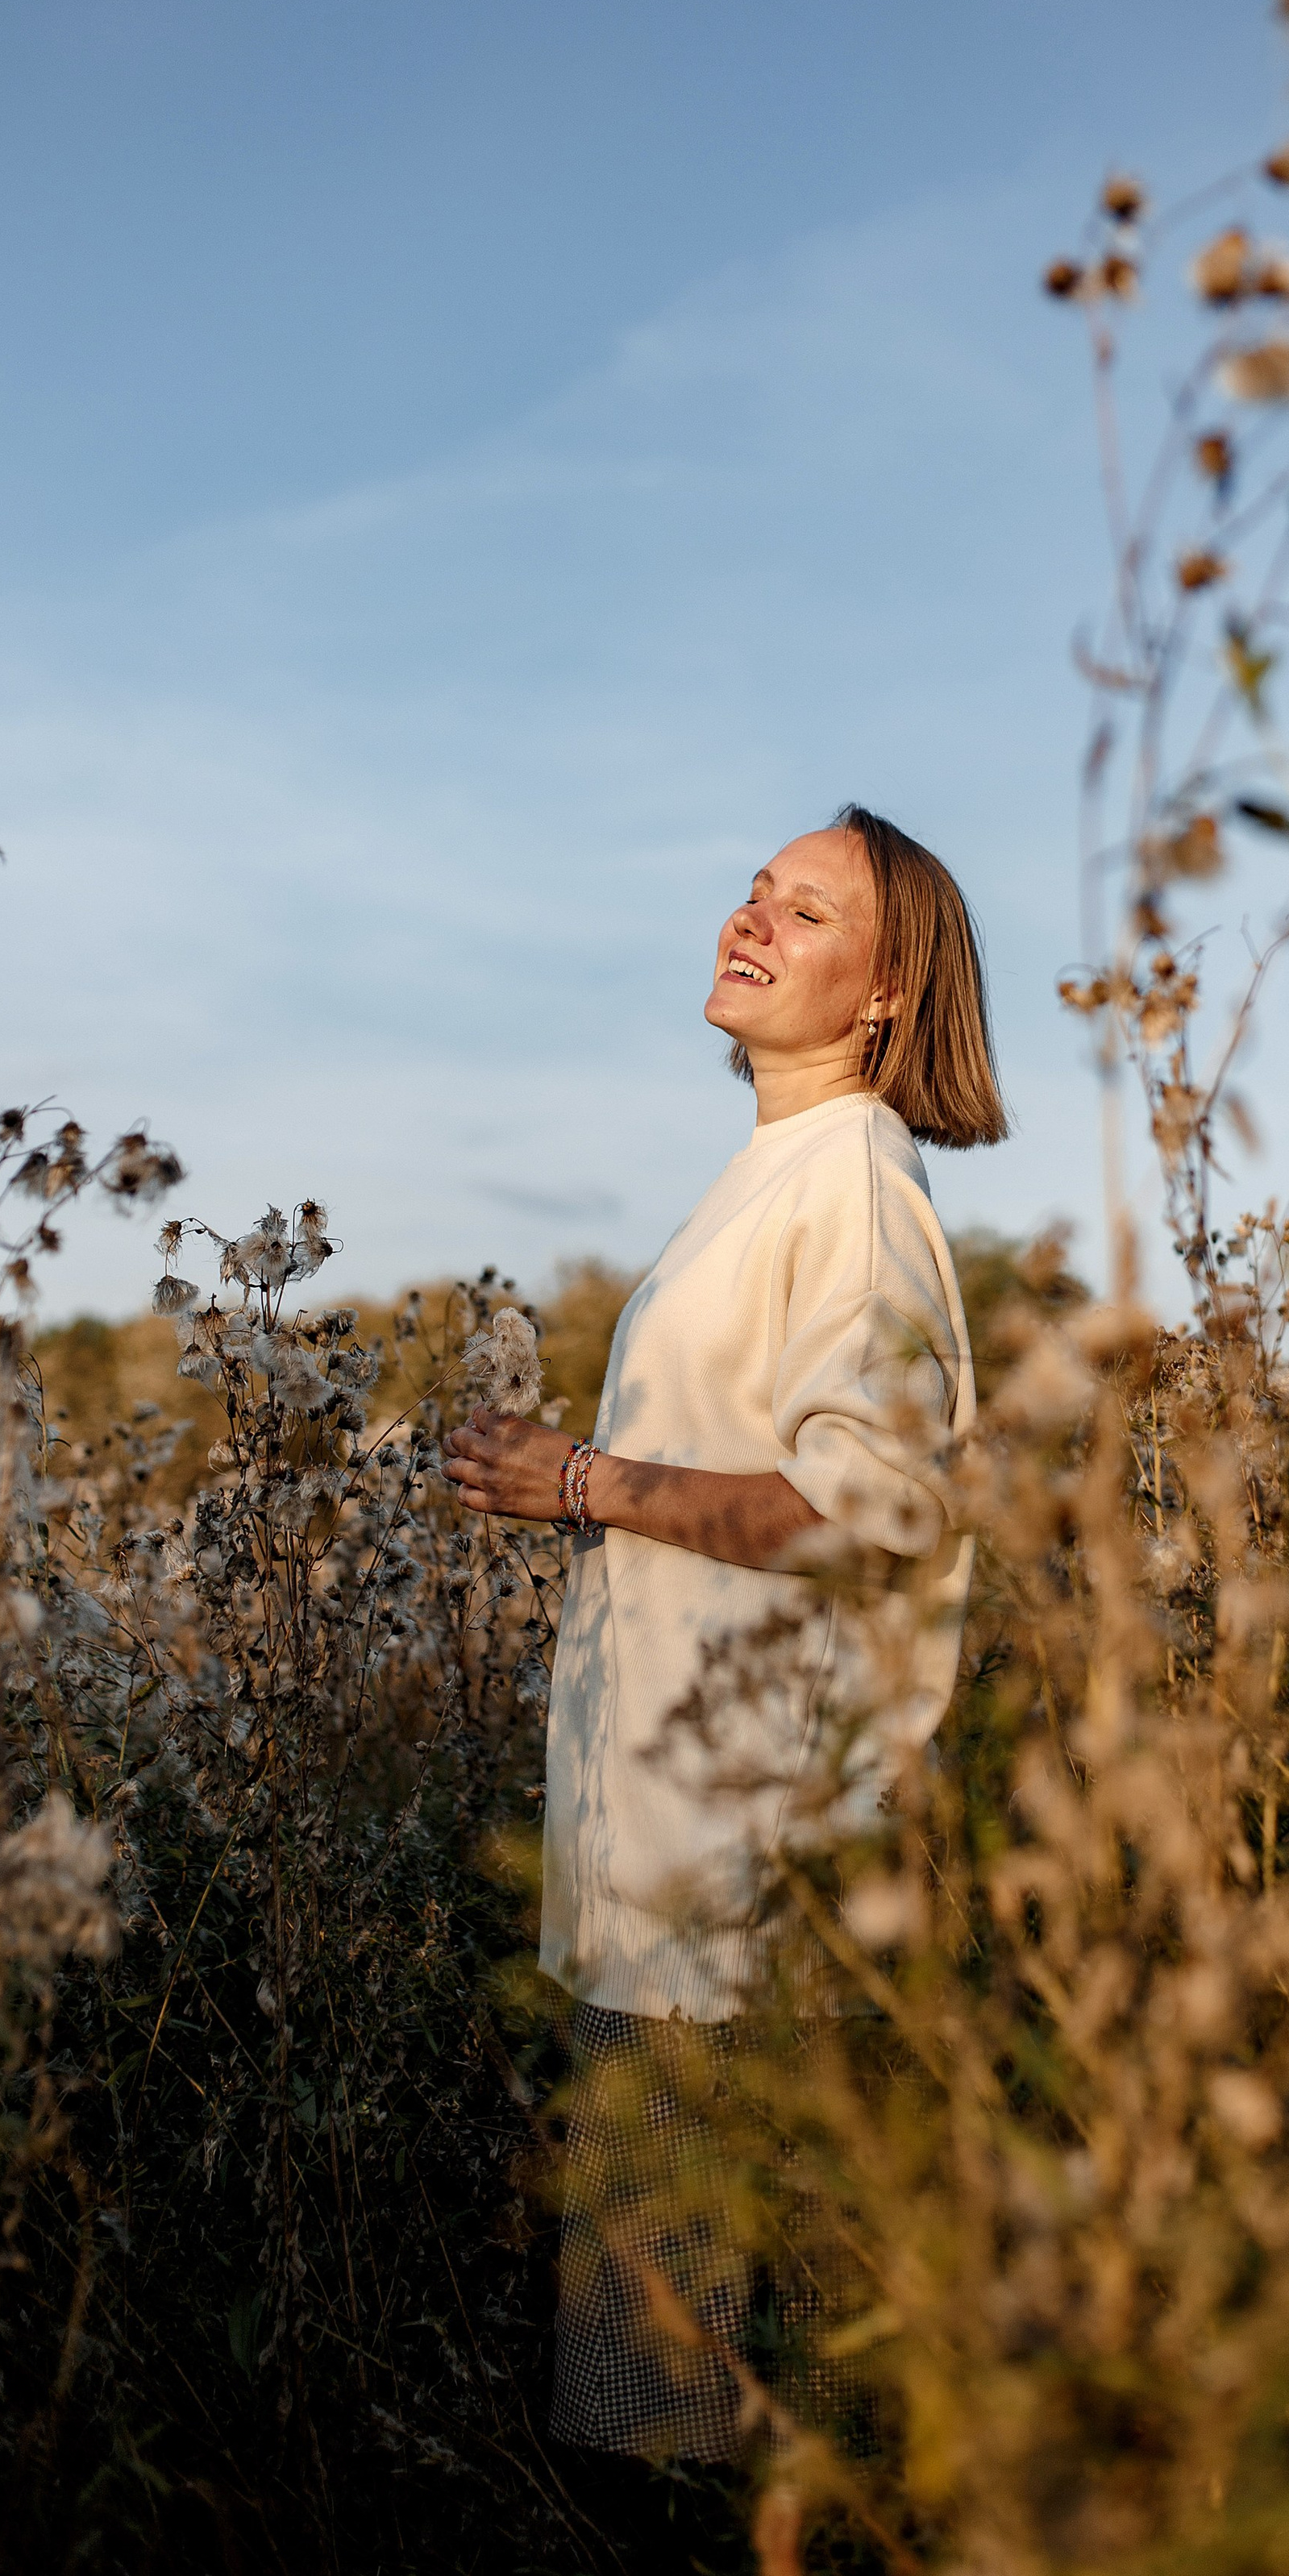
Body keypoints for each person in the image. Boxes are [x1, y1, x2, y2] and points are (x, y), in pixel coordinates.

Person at [443, 801, 1005, 2457]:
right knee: (718, 2385)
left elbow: (865, 1511)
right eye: (752, 892)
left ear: (889, 992)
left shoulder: (855, 1181)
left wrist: (586, 1480)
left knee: (679, 2405)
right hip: (687, 1865)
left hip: (753, 1885)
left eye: (807, 912)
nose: (746, 922)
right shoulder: (774, 1175)